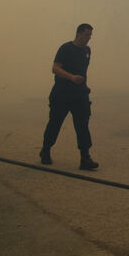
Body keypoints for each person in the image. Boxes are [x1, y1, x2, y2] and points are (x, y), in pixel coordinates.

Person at [39, 23, 98, 171]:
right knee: (55, 123)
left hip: (79, 95)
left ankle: (85, 157)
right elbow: (55, 68)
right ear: (78, 34)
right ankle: (45, 150)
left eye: (90, 36)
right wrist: (71, 78)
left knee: (82, 126)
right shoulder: (65, 48)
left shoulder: (87, 51)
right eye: (86, 35)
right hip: (62, 94)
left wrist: (85, 87)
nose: (88, 38)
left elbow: (83, 72)